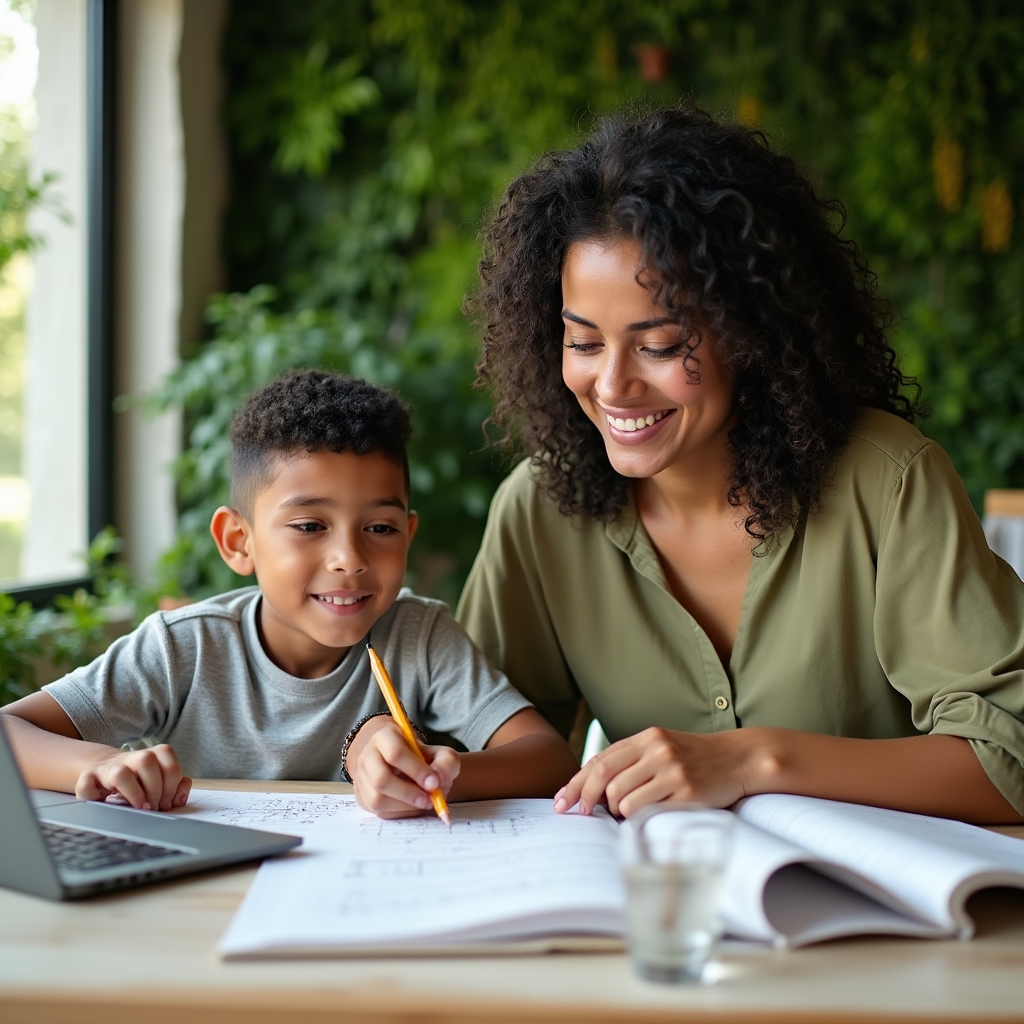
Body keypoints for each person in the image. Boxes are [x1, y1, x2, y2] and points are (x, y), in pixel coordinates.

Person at [456, 104, 1024, 825]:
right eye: (584, 343)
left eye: (660, 344)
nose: (613, 386)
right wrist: (394, 751)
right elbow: (476, 731)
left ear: (748, 332)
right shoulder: (539, 509)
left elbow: (1011, 753)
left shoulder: (889, 482)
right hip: (657, 914)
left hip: (884, 926)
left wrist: (755, 761)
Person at [1, 370, 577, 818]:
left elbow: (549, 759)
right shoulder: (182, 651)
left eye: (380, 528)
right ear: (238, 541)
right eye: (309, 526)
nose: (349, 558)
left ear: (408, 534)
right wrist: (101, 763)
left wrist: (434, 774)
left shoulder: (419, 637)